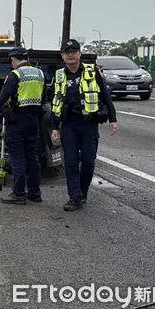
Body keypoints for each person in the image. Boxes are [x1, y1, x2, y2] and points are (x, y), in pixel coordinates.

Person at [51, 39, 118, 211]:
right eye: (67, 52)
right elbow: (55, 101)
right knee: (71, 163)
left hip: (89, 123)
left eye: (74, 51)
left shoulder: (93, 72)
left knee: (88, 162)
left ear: (80, 54)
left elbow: (105, 95)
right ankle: (74, 197)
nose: (71, 54)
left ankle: (83, 190)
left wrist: (113, 119)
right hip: (69, 124)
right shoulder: (59, 75)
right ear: (62, 56)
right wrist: (53, 126)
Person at [0, 47, 46, 205]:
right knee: (32, 157)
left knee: (18, 158)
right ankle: (34, 192)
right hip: (34, 120)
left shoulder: (15, 75)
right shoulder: (39, 73)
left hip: (17, 120)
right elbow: (44, 97)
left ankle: (19, 193)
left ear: (13, 59)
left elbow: (2, 100)